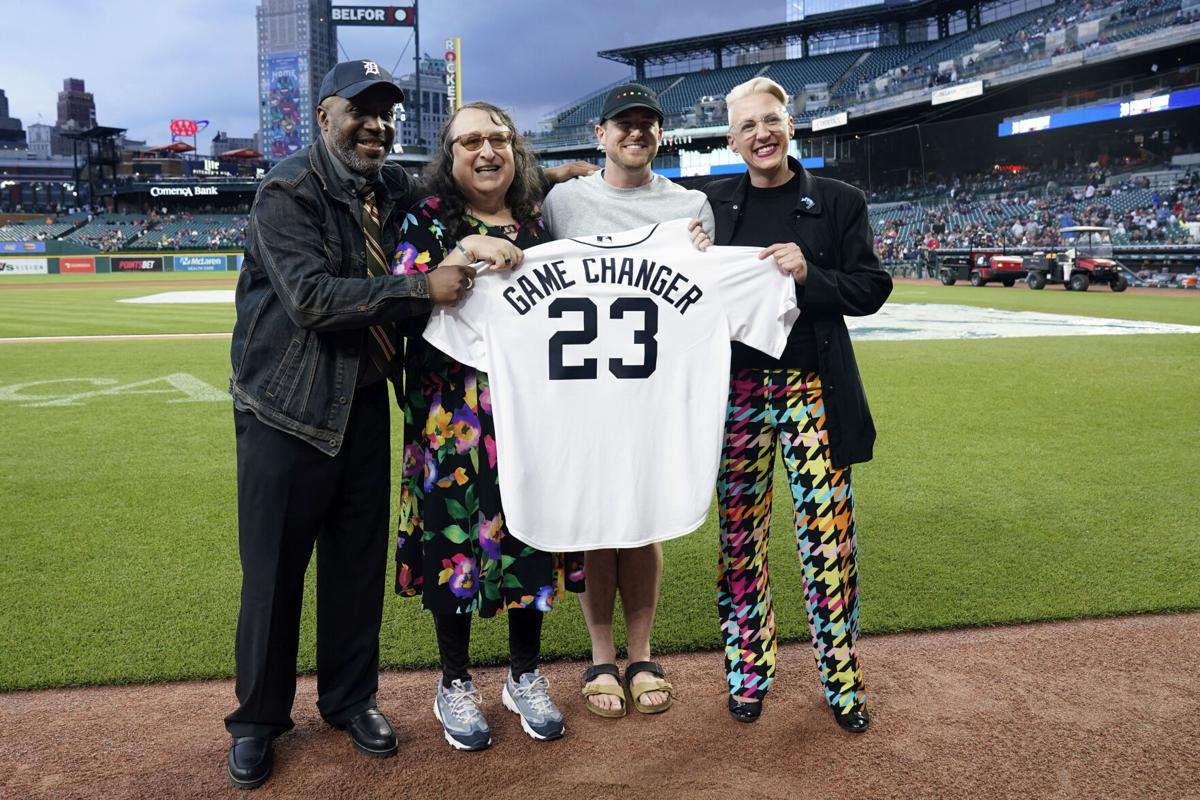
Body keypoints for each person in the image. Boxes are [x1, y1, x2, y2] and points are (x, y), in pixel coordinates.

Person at [224, 60, 477, 790]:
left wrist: (557, 184)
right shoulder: (288, 189)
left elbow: (463, 193)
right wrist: (417, 288)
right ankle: (257, 721)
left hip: (364, 401)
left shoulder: (389, 187)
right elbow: (309, 298)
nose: (376, 125)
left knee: (355, 568)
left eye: (385, 113)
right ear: (325, 115)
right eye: (360, 112)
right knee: (273, 576)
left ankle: (349, 700)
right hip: (285, 409)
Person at [392, 102, 584, 750]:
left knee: (529, 539)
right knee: (455, 543)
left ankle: (524, 675)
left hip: (529, 412)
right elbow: (401, 292)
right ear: (448, 156)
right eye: (470, 140)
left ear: (516, 151)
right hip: (452, 416)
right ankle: (454, 681)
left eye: (499, 138)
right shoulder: (426, 219)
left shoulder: (538, 222)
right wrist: (464, 246)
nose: (487, 150)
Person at [702, 77, 891, 731]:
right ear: (731, 139)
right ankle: (748, 674)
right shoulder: (709, 209)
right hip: (735, 394)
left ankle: (840, 679)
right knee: (738, 540)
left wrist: (811, 275)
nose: (762, 133)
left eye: (772, 120)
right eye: (748, 124)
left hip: (812, 387)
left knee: (827, 541)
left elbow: (871, 287)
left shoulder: (838, 201)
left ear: (791, 125)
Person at [540, 83, 714, 718]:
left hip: (654, 392)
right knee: (595, 525)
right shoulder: (562, 202)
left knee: (643, 523)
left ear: (659, 134)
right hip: (581, 393)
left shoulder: (690, 204)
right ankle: (600, 657)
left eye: (647, 124)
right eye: (624, 124)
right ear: (600, 133)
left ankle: (641, 656)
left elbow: (706, 295)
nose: (635, 133)